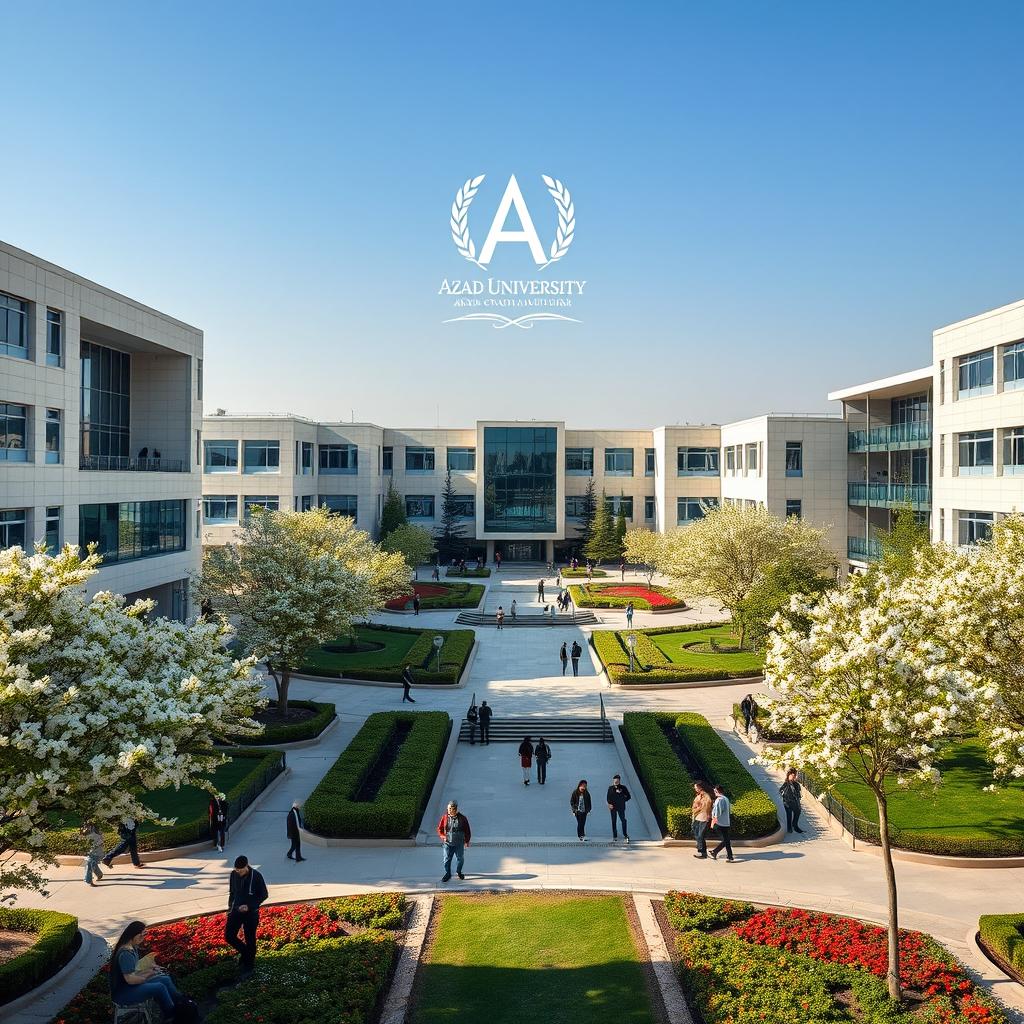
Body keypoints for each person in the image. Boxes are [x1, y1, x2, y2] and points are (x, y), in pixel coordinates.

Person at [109, 920, 184, 1019]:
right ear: (133, 935)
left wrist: (150, 968)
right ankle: (172, 1015)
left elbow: (135, 969)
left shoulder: (132, 947)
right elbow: (130, 979)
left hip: (130, 986)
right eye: (141, 935)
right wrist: (148, 975)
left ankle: (182, 1002)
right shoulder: (126, 953)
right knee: (159, 987)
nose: (143, 938)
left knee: (165, 979)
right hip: (123, 993)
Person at [226, 855, 269, 973]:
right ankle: (246, 954)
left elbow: (264, 894)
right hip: (236, 911)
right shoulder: (233, 874)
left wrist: (249, 906)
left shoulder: (256, 876)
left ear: (246, 866)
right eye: (236, 870)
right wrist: (230, 908)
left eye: (240, 870)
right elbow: (232, 892)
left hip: (251, 913)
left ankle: (249, 965)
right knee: (229, 936)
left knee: (250, 939)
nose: (238, 872)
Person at [437, 800, 471, 881]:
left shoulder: (463, 818)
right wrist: (443, 836)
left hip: (459, 843)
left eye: (451, 809)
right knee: (447, 859)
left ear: (456, 809)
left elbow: (467, 830)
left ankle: (459, 872)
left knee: (460, 858)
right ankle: (447, 873)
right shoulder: (445, 817)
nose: (449, 810)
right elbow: (439, 829)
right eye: (448, 809)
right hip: (448, 843)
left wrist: (467, 841)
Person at [709, 785, 734, 862]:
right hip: (726, 822)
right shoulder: (726, 799)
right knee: (726, 840)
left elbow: (717, 812)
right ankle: (729, 856)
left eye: (715, 791)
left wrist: (713, 819)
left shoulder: (719, 800)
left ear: (717, 791)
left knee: (725, 840)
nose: (714, 792)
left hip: (719, 823)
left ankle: (715, 851)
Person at [606, 775, 631, 842]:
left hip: (621, 807)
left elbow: (628, 796)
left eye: (617, 780)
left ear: (619, 780)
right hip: (613, 807)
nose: (616, 782)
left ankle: (625, 834)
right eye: (614, 780)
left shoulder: (623, 788)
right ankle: (615, 836)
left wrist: (623, 799)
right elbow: (608, 798)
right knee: (614, 821)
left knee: (623, 820)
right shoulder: (610, 788)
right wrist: (609, 804)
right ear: (613, 780)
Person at [691, 781, 713, 858]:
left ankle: (701, 852)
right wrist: (697, 808)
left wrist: (698, 808)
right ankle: (703, 852)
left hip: (703, 818)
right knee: (698, 834)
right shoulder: (699, 796)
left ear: (700, 787)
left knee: (700, 835)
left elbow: (706, 807)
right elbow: (695, 806)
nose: (695, 788)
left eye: (696, 787)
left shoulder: (706, 796)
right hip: (697, 817)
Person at [780, 769, 804, 833]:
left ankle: (795, 825)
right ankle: (790, 828)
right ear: (789, 775)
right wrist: (784, 797)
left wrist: (798, 800)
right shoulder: (786, 784)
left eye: (794, 775)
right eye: (792, 775)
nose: (794, 776)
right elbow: (781, 791)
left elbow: (798, 793)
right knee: (789, 815)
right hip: (787, 802)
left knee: (797, 812)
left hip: (794, 802)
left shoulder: (796, 784)